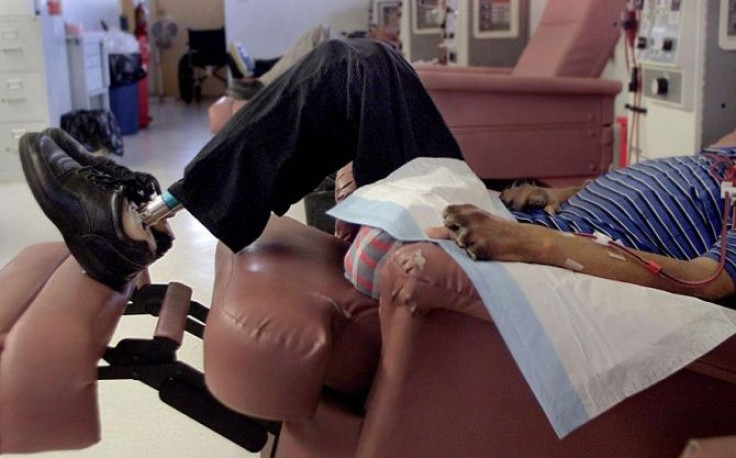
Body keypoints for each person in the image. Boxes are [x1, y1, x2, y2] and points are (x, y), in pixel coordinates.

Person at [19, 39, 736, 303]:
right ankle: (154, 209)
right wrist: (541, 194)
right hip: (526, 219)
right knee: (363, 59)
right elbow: (621, 194)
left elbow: (711, 282)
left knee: (355, 67)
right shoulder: (719, 161)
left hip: (531, 258)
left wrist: (533, 238)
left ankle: (137, 223)